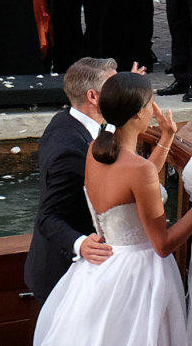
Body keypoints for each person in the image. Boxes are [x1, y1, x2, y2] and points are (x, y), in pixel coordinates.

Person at [20, 72, 192, 346]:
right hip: (140, 277)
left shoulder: (94, 151)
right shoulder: (138, 169)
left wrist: (165, 140)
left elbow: (133, 188)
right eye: (150, 104)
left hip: (102, 269)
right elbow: (163, 244)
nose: (154, 109)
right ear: (137, 115)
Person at [26, 57, 122, 299]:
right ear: (93, 96)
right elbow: (47, 217)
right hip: (64, 276)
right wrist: (81, 244)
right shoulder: (70, 149)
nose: (120, 93)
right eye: (114, 88)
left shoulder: (66, 119)